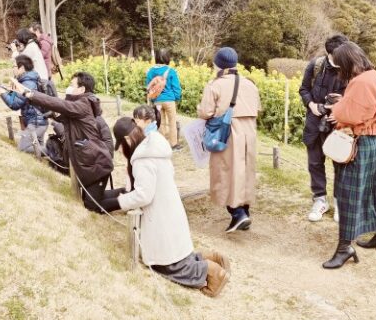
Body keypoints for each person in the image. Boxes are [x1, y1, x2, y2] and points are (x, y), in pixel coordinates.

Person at [101, 106, 231, 297]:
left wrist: (120, 201)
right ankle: (208, 257)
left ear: (128, 140)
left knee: (165, 265)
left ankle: (212, 272)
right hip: (170, 208)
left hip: (158, 216)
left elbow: (144, 195)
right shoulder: (156, 147)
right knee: (176, 255)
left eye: (120, 146)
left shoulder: (142, 160)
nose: (120, 151)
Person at [323, 41, 376, 269]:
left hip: (359, 144)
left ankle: (345, 248)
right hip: (374, 142)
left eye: (339, 64)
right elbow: (374, 110)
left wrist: (336, 109)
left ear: (347, 62)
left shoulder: (360, 82)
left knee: (348, 196)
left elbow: (351, 113)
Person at [12, 71, 114, 213]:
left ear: (82, 89)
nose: (69, 88)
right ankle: (126, 193)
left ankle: (127, 199)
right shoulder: (78, 105)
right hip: (92, 164)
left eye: (72, 85)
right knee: (91, 201)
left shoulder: (83, 104)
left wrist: (29, 93)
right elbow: (58, 110)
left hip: (97, 165)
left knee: (92, 206)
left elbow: (58, 104)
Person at [197, 47, 261, 233]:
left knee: (226, 171)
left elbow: (206, 112)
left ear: (218, 64)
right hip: (249, 131)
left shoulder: (215, 85)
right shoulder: (250, 83)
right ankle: (245, 210)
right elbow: (257, 108)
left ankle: (237, 213)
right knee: (245, 171)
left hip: (228, 132)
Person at [299, 34, 348, 222]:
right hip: (315, 121)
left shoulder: (351, 69)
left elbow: (356, 98)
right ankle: (320, 200)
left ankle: (338, 203)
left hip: (339, 125)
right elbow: (303, 89)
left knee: (340, 165)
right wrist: (312, 105)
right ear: (329, 54)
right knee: (314, 163)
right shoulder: (316, 65)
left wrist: (340, 104)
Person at [0, 55, 49, 154]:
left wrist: (2, 93)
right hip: (38, 121)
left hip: (36, 122)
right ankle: (51, 155)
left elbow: (14, 104)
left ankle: (54, 152)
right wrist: (6, 92)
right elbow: (17, 98)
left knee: (22, 149)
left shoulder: (28, 83)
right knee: (38, 150)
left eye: (14, 66)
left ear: (21, 68)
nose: (12, 69)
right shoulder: (26, 80)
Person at [145, 48, 183, 151]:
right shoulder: (171, 71)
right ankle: (173, 144)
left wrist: (152, 99)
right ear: (167, 58)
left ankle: (162, 144)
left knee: (160, 122)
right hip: (169, 100)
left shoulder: (150, 71)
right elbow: (176, 87)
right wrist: (177, 98)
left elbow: (148, 86)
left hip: (157, 100)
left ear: (156, 58)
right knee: (172, 122)